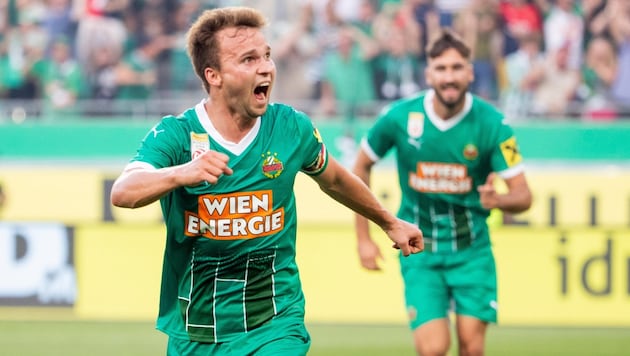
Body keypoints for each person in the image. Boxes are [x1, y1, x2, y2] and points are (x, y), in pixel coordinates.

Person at [109, 6, 423, 356]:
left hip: (275, 321)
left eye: (267, 56)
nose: (265, 67)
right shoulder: (178, 134)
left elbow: (334, 179)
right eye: (248, 59)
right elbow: (123, 192)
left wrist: (388, 221)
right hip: (199, 328)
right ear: (214, 75)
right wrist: (181, 173)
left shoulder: (290, 128)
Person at [353, 28, 532, 356]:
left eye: (456, 68)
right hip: (420, 250)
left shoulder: (494, 124)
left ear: (470, 72)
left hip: (472, 251)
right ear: (428, 73)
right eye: (441, 68)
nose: (449, 77)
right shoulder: (401, 117)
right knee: (434, 349)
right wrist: (364, 236)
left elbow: (524, 196)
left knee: (471, 348)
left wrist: (499, 200)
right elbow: (360, 165)